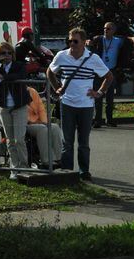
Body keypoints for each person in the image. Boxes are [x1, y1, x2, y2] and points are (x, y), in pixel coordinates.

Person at [47, 28, 113, 180]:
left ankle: (84, 171)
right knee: (67, 141)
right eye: (69, 41)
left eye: (75, 41)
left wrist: (100, 93)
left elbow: (109, 77)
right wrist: (56, 87)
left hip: (86, 105)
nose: (72, 44)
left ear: (84, 42)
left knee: (84, 142)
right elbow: (50, 72)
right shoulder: (61, 56)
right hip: (67, 103)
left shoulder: (93, 58)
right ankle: (67, 172)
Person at [0, 42, 31, 179]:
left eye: (9, 53)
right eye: (3, 53)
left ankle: (24, 167)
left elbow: (21, 75)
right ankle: (14, 168)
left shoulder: (19, 65)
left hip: (19, 106)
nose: (6, 56)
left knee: (19, 139)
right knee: (10, 140)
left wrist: (3, 77)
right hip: (4, 107)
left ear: (13, 54)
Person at [90, 22, 127, 128]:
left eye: (109, 28)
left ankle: (109, 119)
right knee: (98, 96)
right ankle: (97, 120)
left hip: (111, 71)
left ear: (114, 30)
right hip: (98, 71)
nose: (106, 30)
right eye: (105, 28)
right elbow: (90, 44)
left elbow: (128, 41)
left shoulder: (118, 41)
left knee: (110, 97)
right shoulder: (99, 39)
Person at [25, 86, 62, 168]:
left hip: (39, 122)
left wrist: (45, 122)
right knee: (43, 129)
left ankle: (59, 158)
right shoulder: (17, 94)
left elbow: (41, 109)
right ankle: (46, 160)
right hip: (27, 124)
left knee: (55, 127)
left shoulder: (32, 91)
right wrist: (37, 123)